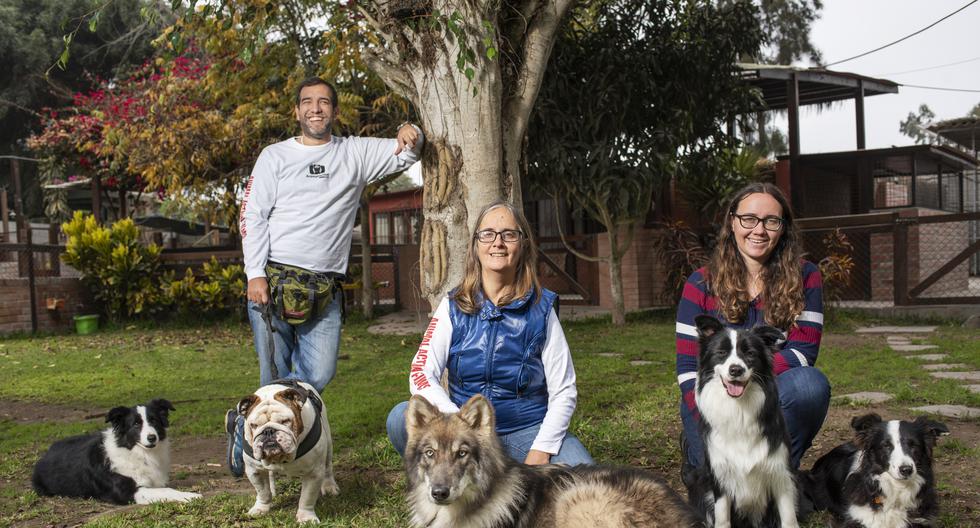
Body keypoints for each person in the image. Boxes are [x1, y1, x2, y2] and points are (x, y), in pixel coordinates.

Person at [226, 77, 424, 476]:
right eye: (307, 102)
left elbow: (407, 154)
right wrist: (254, 275)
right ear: (297, 111)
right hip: (274, 281)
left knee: (317, 376)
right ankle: (250, 444)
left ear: (334, 111)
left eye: (324, 103)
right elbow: (253, 215)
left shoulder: (355, 153)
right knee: (273, 379)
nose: (316, 109)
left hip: (325, 288)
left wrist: (412, 132)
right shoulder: (274, 156)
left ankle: (275, 431)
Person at [386, 201, 594, 466]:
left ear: (523, 244)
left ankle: (504, 480)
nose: (498, 242)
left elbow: (564, 390)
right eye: (488, 234)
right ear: (476, 244)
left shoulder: (542, 310)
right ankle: (448, 478)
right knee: (399, 418)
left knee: (585, 473)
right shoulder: (453, 306)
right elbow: (421, 372)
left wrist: (542, 449)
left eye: (509, 234)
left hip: (525, 432)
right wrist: (457, 421)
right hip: (465, 430)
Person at [675, 182, 830, 471]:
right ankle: (700, 457)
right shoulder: (700, 283)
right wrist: (713, 417)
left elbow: (803, 352)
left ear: (783, 228)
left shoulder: (805, 276)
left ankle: (778, 472)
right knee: (717, 499)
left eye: (771, 221)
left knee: (810, 385)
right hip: (714, 400)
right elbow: (686, 367)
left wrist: (748, 376)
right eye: (749, 219)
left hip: (767, 393)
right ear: (732, 222)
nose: (759, 230)